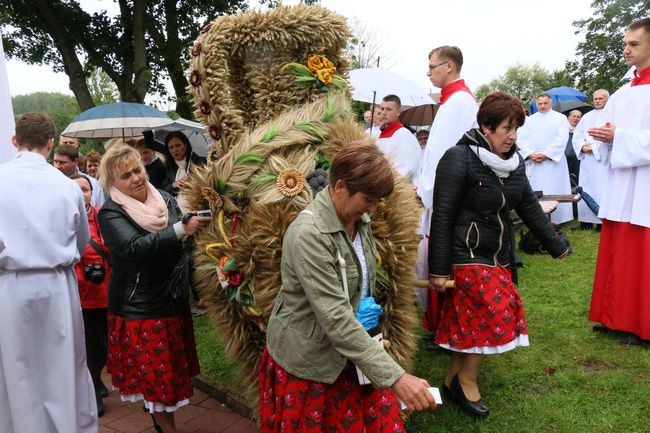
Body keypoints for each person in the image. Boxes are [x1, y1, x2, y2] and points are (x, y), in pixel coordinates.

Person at [260, 142, 436, 432]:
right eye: (369, 199)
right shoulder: (309, 235)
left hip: (350, 351)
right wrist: (397, 378)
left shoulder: (358, 219)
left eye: (378, 200)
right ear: (340, 187)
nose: (374, 208)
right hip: (311, 362)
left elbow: (355, 285)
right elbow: (335, 318)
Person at [428, 93, 568, 418]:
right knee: (493, 309)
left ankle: (451, 380)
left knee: (470, 319)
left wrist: (556, 244)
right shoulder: (458, 157)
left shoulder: (514, 161)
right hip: (466, 254)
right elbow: (443, 215)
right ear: (486, 127)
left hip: (496, 254)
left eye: (517, 128)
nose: (513, 136)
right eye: (507, 128)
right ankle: (466, 381)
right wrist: (437, 270)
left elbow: (528, 206)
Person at [97, 144, 211, 433]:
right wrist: (181, 230)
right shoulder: (110, 213)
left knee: (167, 377)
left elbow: (177, 242)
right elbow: (134, 249)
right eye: (126, 176)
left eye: (138, 170)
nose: (136, 178)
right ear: (113, 182)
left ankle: (162, 425)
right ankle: (166, 429)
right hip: (141, 309)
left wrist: (192, 224)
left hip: (172, 300)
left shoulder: (165, 199)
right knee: (156, 379)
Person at [0, 113, 97, 433]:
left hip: (10, 286)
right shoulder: (67, 187)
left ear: (15, 141)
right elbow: (83, 242)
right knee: (61, 366)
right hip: (57, 285)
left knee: (17, 367)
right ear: (51, 143)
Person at [588, 17, 650, 346]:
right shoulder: (623, 92)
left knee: (642, 256)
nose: (626, 49)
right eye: (625, 43)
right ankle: (614, 317)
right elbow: (609, 131)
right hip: (621, 181)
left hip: (645, 186)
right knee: (618, 250)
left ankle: (642, 324)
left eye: (634, 44)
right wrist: (604, 138)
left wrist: (620, 138)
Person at [416, 45, 478, 339]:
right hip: (441, 195)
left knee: (441, 258)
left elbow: (444, 155)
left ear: (449, 66)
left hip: (446, 197)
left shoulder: (459, 103)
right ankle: (441, 323)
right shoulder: (453, 101)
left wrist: (426, 192)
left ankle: (446, 325)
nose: (428, 72)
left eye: (432, 66)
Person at [71, 173, 111, 417]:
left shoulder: (102, 215)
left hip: (107, 290)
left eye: (85, 189)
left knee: (106, 342)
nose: (82, 193)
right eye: (76, 189)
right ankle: (93, 386)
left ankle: (97, 379)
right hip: (81, 294)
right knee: (91, 345)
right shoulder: (65, 218)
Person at [160, 131, 208, 315]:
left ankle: (203, 299)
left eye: (178, 145)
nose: (175, 150)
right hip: (179, 219)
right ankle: (195, 298)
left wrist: (194, 182)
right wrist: (173, 185)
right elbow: (161, 190)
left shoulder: (199, 163)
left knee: (198, 257)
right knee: (186, 259)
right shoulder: (168, 168)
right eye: (171, 147)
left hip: (199, 216)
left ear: (186, 145)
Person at [516, 93, 573, 224]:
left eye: (545, 103)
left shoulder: (560, 118)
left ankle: (558, 218)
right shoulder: (529, 120)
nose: (542, 106)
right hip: (535, 161)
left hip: (552, 161)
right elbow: (521, 139)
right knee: (537, 188)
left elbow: (561, 139)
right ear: (536, 104)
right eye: (540, 103)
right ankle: (537, 217)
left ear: (550, 103)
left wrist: (546, 154)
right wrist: (530, 153)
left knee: (554, 188)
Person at [571, 90, 610, 230]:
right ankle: (585, 221)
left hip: (603, 161)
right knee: (586, 188)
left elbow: (610, 137)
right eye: (595, 98)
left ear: (607, 99)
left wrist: (593, 147)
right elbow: (577, 136)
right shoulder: (586, 117)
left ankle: (601, 222)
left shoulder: (612, 115)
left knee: (602, 190)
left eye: (601, 98)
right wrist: (582, 146)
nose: (597, 101)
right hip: (587, 162)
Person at [376, 94, 421, 185]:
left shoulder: (404, 135)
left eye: (389, 109)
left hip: (397, 188)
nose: (384, 113)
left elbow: (407, 168)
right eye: (382, 109)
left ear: (398, 112)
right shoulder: (378, 135)